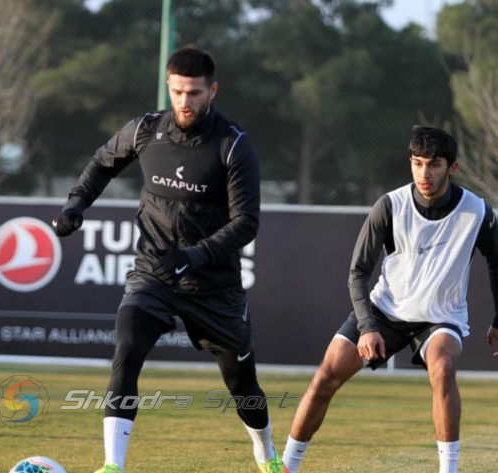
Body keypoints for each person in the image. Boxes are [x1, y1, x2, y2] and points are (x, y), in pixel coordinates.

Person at [52, 46, 287, 473]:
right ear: (168, 87)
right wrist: (75, 204)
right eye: (177, 91)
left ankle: (266, 451)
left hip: (213, 286)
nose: (184, 101)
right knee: (126, 351)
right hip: (153, 274)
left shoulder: (232, 146)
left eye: (194, 92)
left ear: (212, 91)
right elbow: (102, 163)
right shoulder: (145, 129)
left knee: (243, 385)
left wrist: (193, 257)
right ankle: (112, 465)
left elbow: (246, 223)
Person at [281, 126, 498, 473]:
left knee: (442, 369)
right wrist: (367, 327)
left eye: (434, 164)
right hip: (383, 313)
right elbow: (358, 272)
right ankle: (286, 468)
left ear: (452, 167)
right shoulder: (390, 206)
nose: (424, 173)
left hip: (440, 319)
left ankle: (449, 470)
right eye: (417, 163)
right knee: (325, 377)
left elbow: (497, 263)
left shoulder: (478, 212)